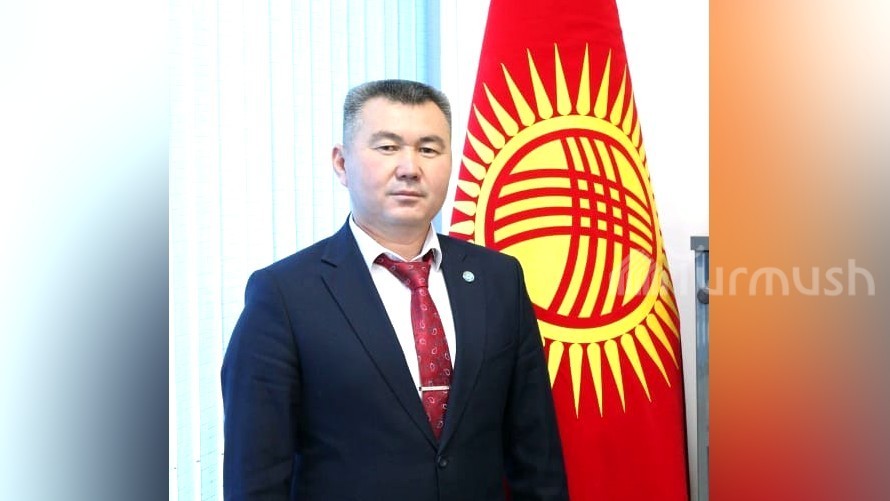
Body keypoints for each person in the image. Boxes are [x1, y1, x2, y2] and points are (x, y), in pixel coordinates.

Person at [221, 79, 568, 500]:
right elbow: (256, 479)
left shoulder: (499, 279)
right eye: (387, 147)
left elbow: (537, 455)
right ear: (341, 163)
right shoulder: (283, 296)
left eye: (429, 149)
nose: (409, 168)